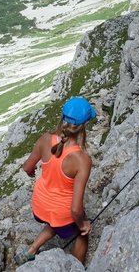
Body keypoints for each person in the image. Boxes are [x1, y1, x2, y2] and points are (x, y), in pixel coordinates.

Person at [16, 97, 96, 265]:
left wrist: (32, 172)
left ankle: (31, 250)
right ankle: (76, 268)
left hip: (39, 206)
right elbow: (75, 209)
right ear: (83, 126)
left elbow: (26, 167)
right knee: (81, 234)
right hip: (61, 212)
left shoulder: (46, 139)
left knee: (55, 220)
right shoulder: (82, 160)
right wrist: (82, 225)